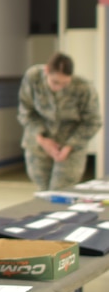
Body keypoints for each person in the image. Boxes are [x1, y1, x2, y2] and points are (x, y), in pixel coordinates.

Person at [18, 52, 101, 191]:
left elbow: (93, 122)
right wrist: (42, 140)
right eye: (55, 82)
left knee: (61, 190)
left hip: (70, 146)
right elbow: (26, 112)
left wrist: (69, 146)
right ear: (46, 71)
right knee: (43, 192)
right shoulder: (33, 78)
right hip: (39, 144)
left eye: (64, 83)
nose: (59, 87)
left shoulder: (84, 87)